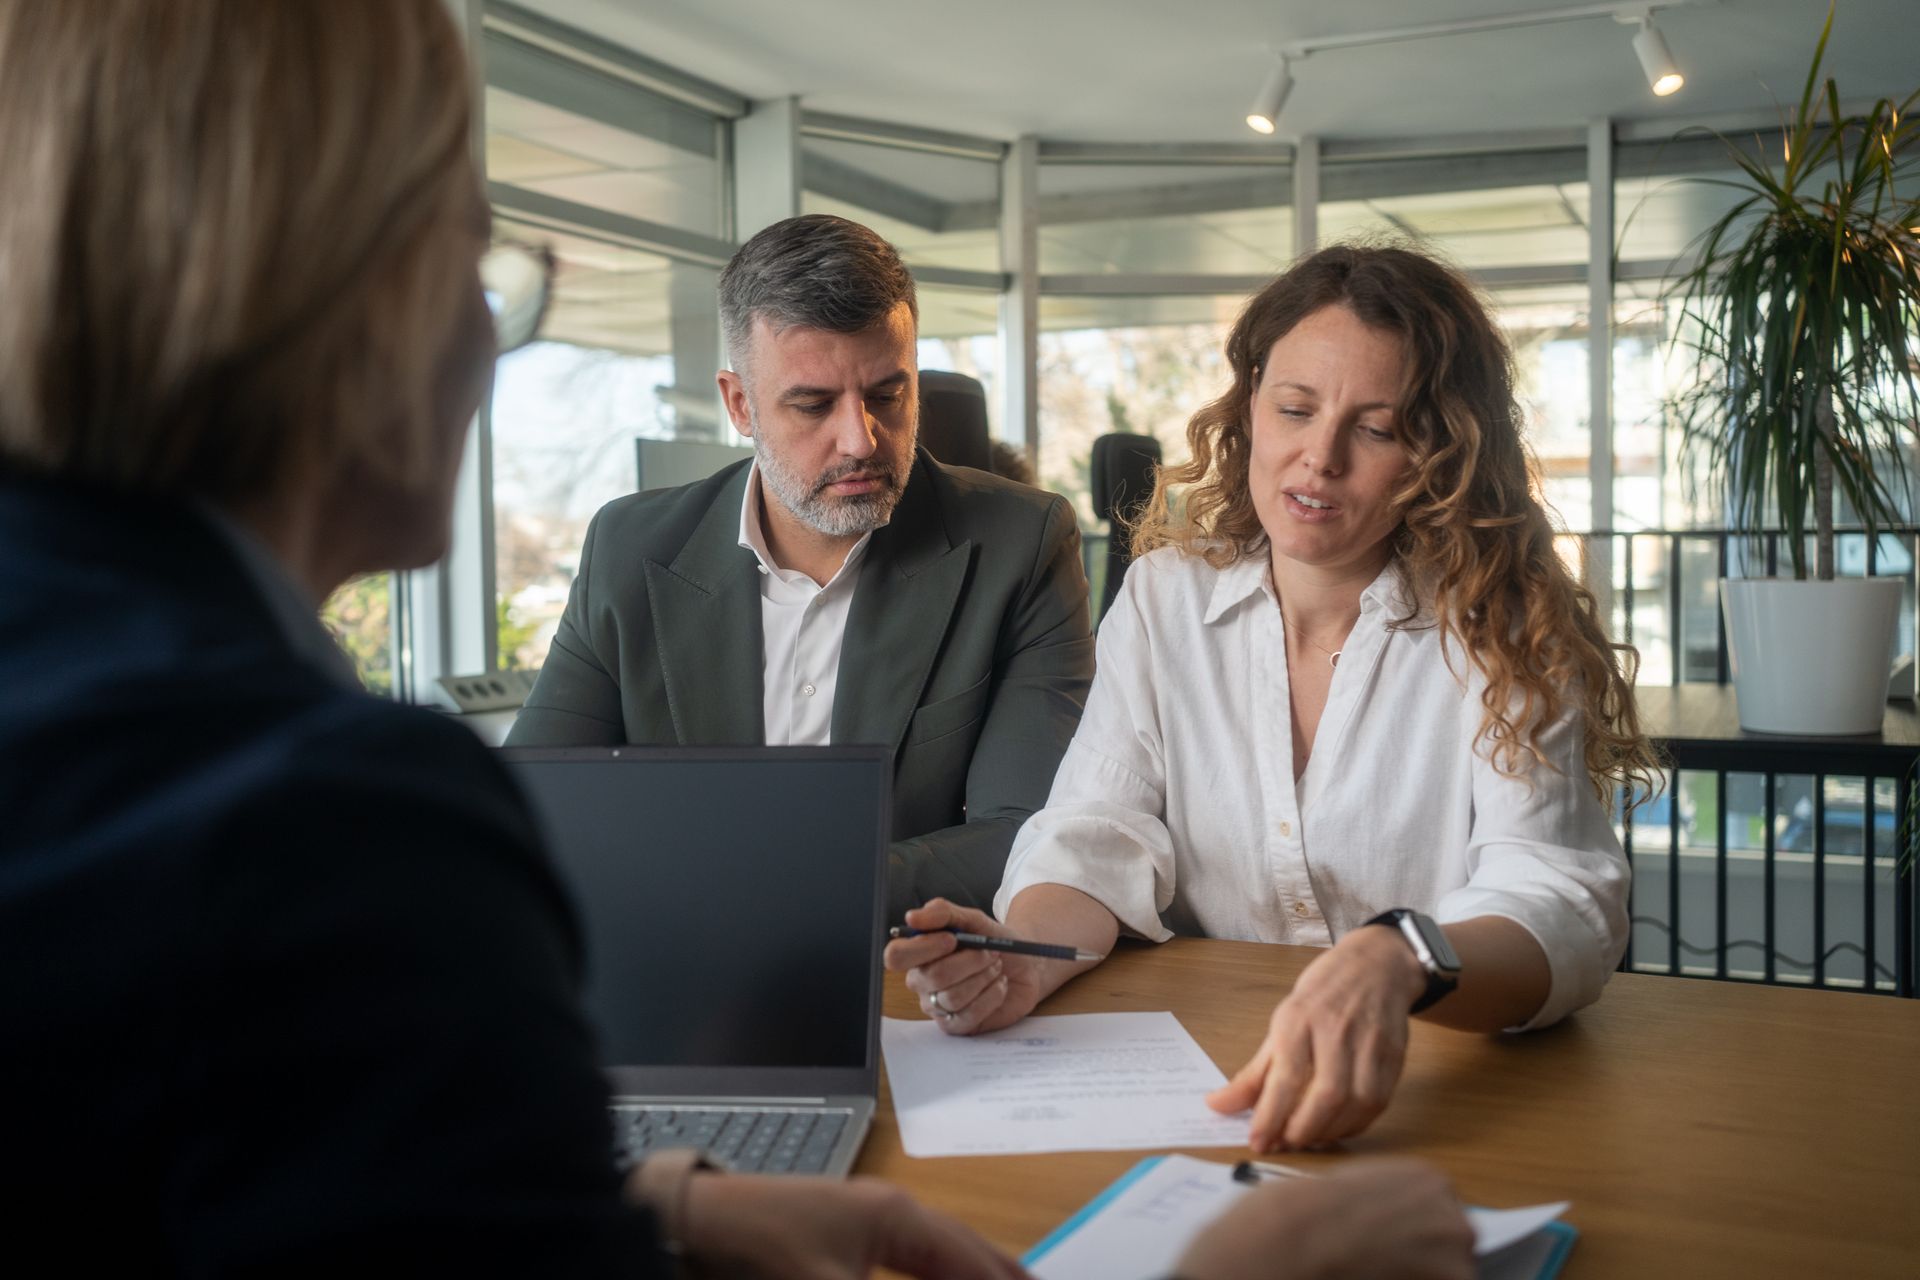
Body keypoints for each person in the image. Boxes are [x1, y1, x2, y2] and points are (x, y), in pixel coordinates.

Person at [0, 4, 1474, 1277]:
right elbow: (558, 823)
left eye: (888, 392)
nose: (479, 341)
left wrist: (664, 1215)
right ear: (340, 313)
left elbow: (313, 1207)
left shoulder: (107, 716)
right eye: (476, 273)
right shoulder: (341, 820)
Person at [889, 244, 1659, 1157]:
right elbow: (1096, 832)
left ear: (1439, 454)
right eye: (1295, 408)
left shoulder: (1501, 625)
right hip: (1210, 1086)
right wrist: (1024, 958)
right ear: (1249, 405)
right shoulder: (1164, 597)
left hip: (1440, 1098)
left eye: (1375, 428)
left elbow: (1559, 896)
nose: (1318, 457)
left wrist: (1403, 957)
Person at [507, 214, 1094, 922]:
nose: (860, 439)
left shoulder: (1020, 545)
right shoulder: (630, 548)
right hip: (680, 968)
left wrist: (782, 887)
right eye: (813, 405)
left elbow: (1028, 833)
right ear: (739, 405)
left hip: (904, 983)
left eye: (887, 395)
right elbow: (532, 807)